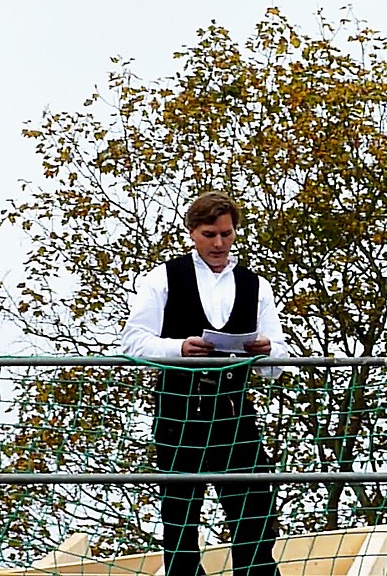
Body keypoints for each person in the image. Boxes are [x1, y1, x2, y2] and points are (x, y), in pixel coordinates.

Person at [121, 191, 287, 576]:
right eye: (210, 234)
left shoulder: (256, 285)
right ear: (192, 233)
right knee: (180, 516)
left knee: (254, 511)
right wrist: (178, 348)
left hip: (234, 411)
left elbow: (277, 360)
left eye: (226, 234)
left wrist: (266, 351)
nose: (219, 243)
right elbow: (132, 341)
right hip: (179, 410)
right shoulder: (164, 278)